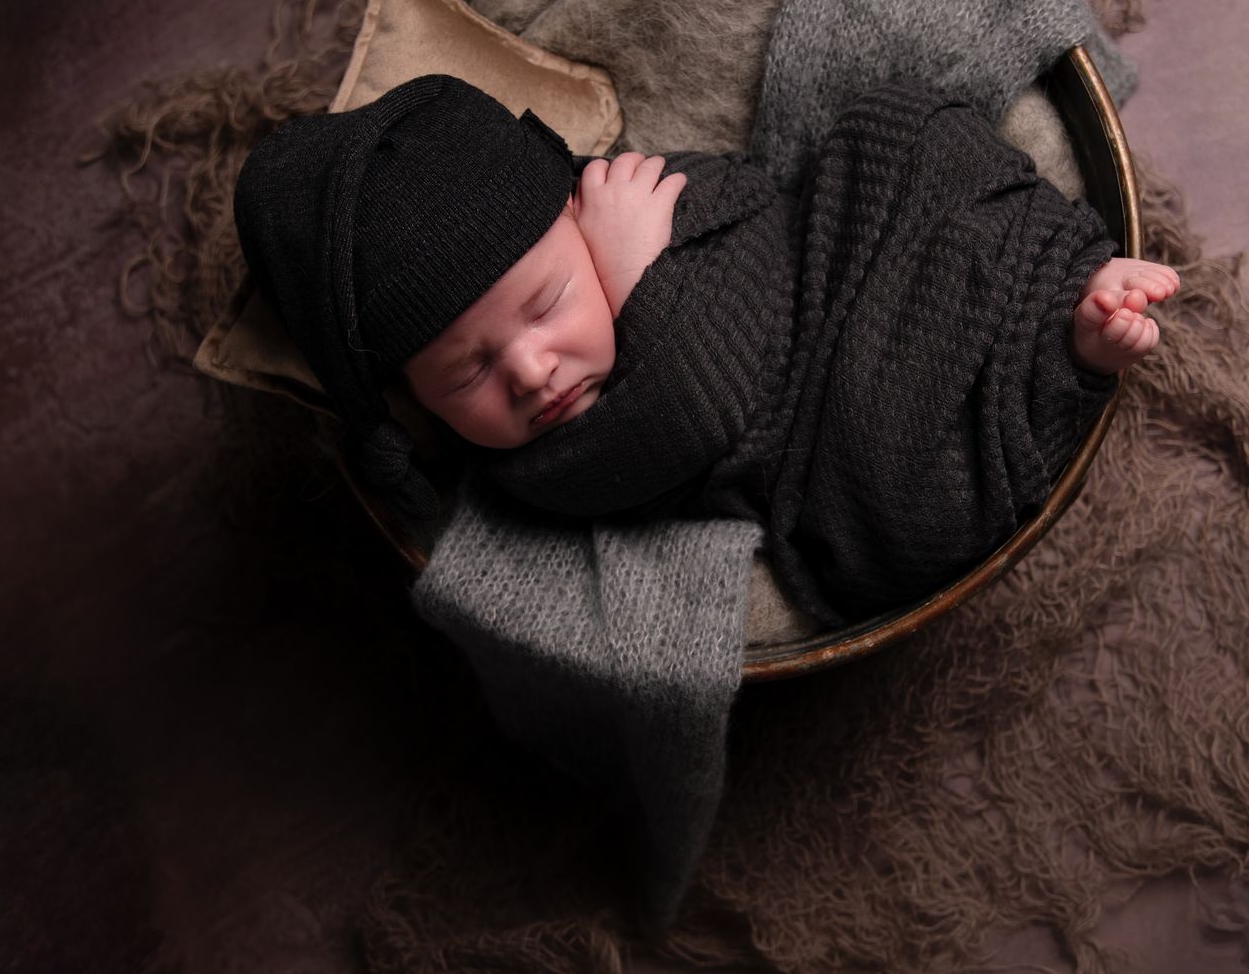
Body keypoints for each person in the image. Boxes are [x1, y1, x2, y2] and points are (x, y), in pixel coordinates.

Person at [234, 73, 1179, 623]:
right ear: (413, 400)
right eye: (465, 374)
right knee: (904, 480)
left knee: (892, 129)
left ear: (575, 204)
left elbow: (764, 196)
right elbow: (700, 408)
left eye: (547, 303)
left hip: (841, 268)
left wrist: (662, 242)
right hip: (825, 435)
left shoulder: (627, 193)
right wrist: (641, 278)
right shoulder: (535, 471)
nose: (528, 371)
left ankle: (1064, 284)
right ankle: (1072, 359)